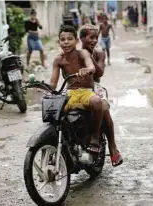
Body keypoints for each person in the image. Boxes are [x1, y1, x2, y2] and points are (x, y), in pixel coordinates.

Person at [50, 25, 104, 154]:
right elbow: (53, 82)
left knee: (98, 102)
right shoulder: (58, 59)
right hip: (70, 93)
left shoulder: (82, 53)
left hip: (86, 92)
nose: (66, 42)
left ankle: (95, 136)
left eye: (70, 39)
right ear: (59, 42)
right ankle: (63, 139)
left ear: (77, 41)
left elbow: (92, 67)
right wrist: (44, 89)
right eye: (63, 39)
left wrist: (88, 70)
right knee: (55, 110)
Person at [79, 24, 123, 166]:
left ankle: (111, 146)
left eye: (96, 38)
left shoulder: (99, 54)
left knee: (104, 107)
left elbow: (100, 73)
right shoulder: (76, 54)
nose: (94, 41)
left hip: (95, 88)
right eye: (91, 37)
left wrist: (89, 57)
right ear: (81, 38)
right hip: (79, 89)